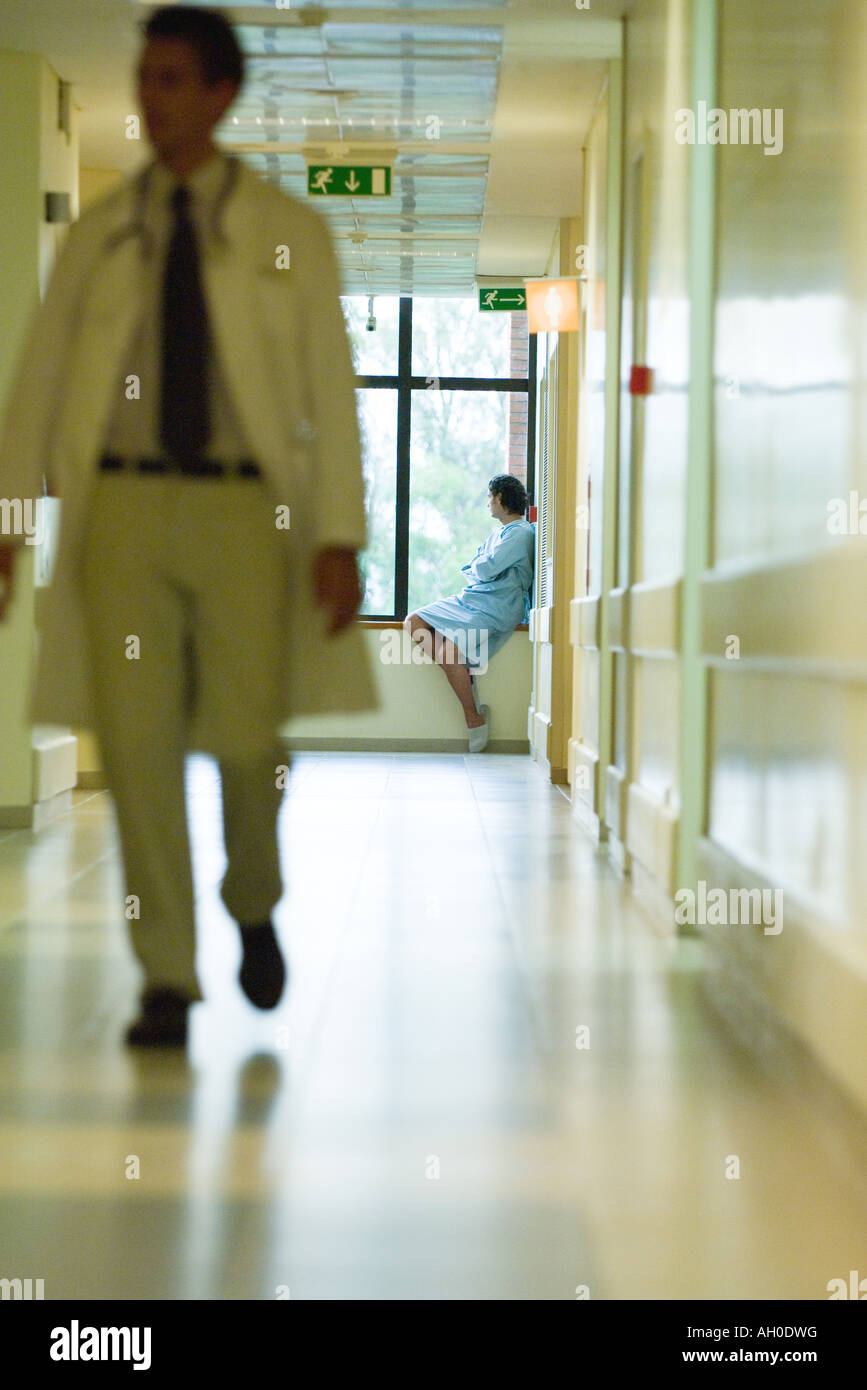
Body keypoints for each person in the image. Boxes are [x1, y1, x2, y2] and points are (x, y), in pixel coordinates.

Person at [0, 5, 377, 1045]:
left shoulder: (287, 235)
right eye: (144, 78)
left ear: (219, 94)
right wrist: (6, 518)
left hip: (248, 511)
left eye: (172, 79)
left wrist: (340, 536)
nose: (151, 98)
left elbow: (331, 393)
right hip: (118, 506)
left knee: (251, 739)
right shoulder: (99, 235)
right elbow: (35, 384)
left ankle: (251, 894)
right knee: (137, 742)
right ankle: (168, 974)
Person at [404, 475, 535, 753]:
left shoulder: (521, 532)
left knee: (449, 652)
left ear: (500, 498)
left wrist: (479, 568)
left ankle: (473, 718)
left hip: (497, 606)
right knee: (413, 621)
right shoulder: (498, 534)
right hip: (473, 599)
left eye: (490, 497)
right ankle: (465, 676)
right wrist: (479, 568)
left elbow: (483, 569)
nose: (488, 502)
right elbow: (476, 569)